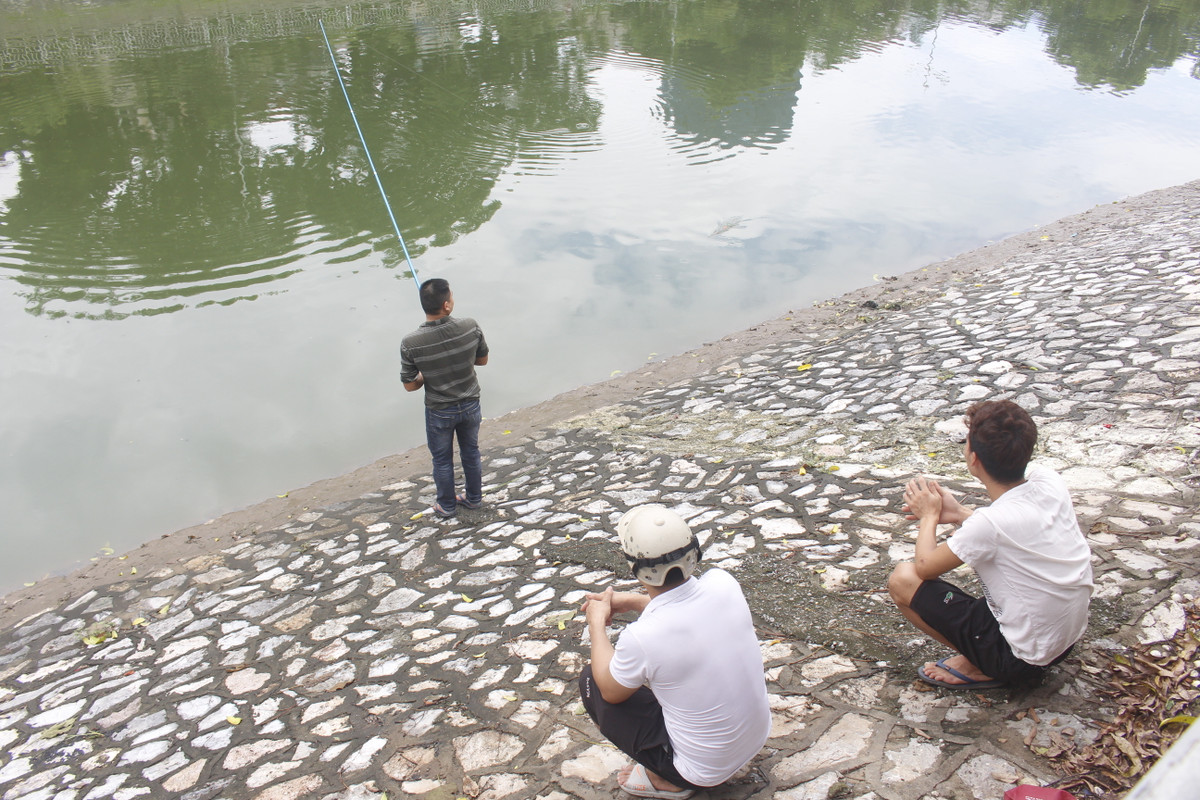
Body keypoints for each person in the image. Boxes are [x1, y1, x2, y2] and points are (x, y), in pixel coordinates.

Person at [888, 399, 1093, 689]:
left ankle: (979, 665)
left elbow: (925, 569)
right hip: (1063, 642)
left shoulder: (989, 524)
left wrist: (929, 515)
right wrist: (959, 514)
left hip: (1021, 659)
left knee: (902, 579)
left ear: (973, 459)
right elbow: (1012, 526)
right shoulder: (1048, 481)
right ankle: (985, 652)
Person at [579, 504, 770, 799]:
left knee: (592, 679)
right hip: (754, 739)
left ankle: (667, 778)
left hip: (702, 771)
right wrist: (630, 601)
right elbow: (685, 611)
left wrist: (596, 624)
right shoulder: (724, 583)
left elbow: (610, 692)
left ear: (634, 567)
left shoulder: (643, 637)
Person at [400, 278, 489, 519]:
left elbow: (410, 385)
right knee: (471, 452)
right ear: (447, 305)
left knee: (442, 460)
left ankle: (447, 506)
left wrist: (425, 374)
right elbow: (482, 360)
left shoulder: (411, 342)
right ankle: (474, 499)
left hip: (439, 411)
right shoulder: (470, 326)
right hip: (470, 403)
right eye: (451, 295)